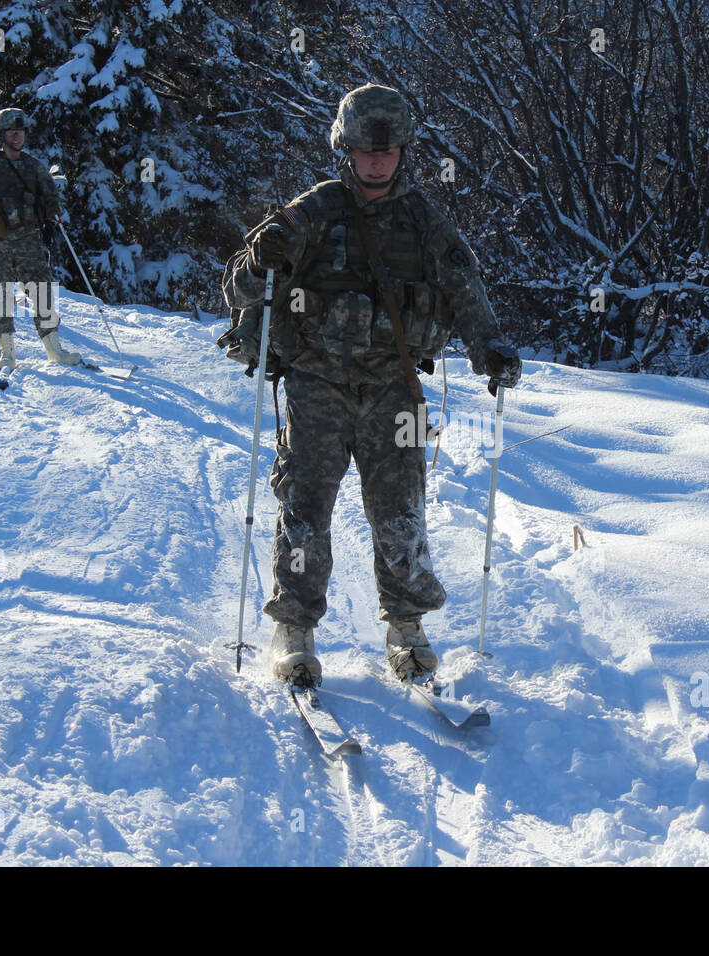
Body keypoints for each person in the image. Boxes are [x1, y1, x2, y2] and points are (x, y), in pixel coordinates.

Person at [221, 83, 522, 687]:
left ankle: (407, 629)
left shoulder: (424, 222)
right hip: (316, 384)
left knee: (401, 509)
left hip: (395, 386)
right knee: (305, 508)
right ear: (347, 149)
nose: (378, 161)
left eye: (387, 151)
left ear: (404, 151)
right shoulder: (314, 210)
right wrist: (261, 258)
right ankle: (295, 631)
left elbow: (465, 289)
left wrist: (489, 347)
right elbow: (242, 289)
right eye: (366, 150)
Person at [0, 107, 80, 371]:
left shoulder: (32, 166)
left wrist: (51, 207)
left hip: (29, 240)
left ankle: (54, 349)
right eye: (12, 133)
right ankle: (6, 352)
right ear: (1, 135)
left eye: (21, 133)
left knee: (43, 292)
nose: (17, 138)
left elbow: (51, 195)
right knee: (0, 294)